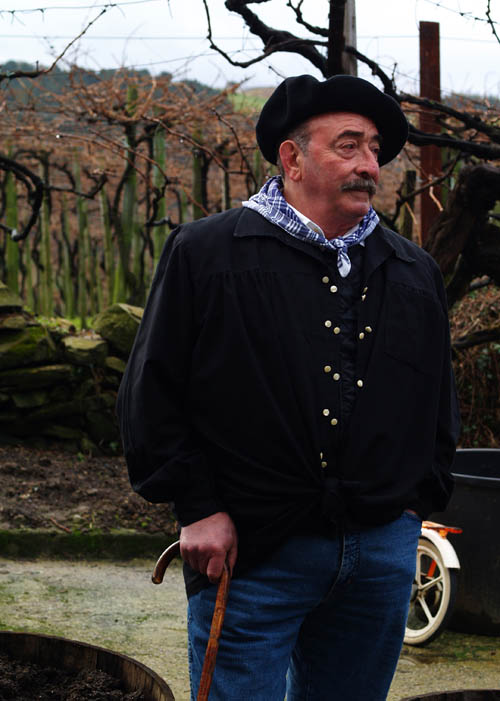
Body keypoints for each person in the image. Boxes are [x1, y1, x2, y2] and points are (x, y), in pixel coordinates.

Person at [117, 74, 460, 700]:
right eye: (348, 146)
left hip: (380, 555)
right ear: (292, 158)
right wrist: (197, 506)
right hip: (250, 552)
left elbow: (437, 404)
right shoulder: (207, 254)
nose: (368, 165)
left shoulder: (414, 272)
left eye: (374, 150)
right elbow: (151, 394)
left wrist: (411, 512)